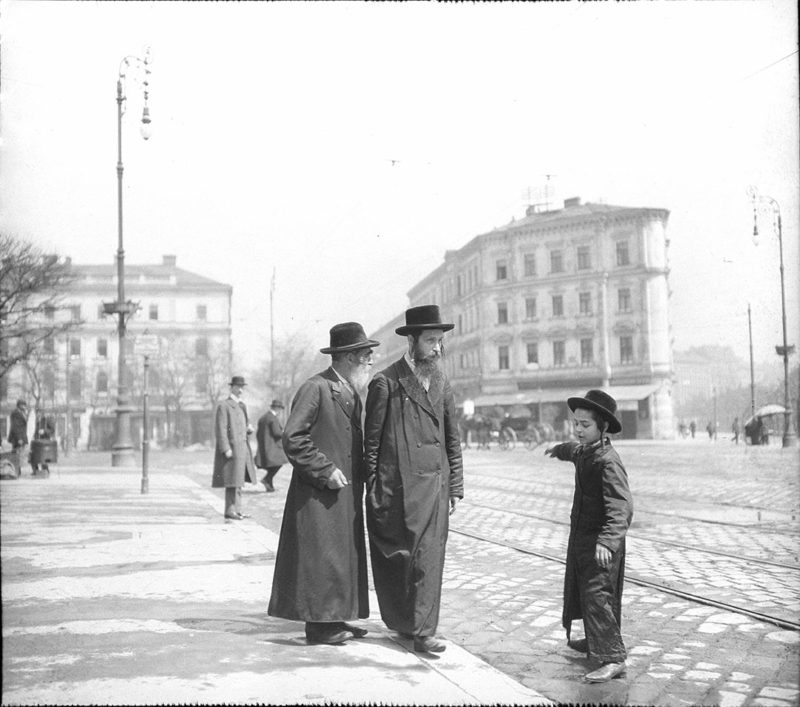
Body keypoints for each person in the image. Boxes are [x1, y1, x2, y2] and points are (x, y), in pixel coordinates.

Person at [268, 322, 379, 645]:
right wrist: (324, 469)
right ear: (347, 358)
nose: (371, 361)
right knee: (321, 558)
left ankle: (336, 616)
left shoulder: (350, 392)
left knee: (340, 556)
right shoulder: (316, 388)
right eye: (366, 356)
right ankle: (319, 626)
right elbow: (293, 438)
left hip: (343, 494)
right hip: (317, 492)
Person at [364, 304, 464, 654]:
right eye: (431, 341)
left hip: (435, 486)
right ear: (413, 342)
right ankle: (407, 624)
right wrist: (373, 487)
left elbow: (453, 437)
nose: (438, 348)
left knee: (429, 558)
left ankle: (424, 631)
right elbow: (371, 443)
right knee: (401, 559)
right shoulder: (386, 382)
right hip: (399, 487)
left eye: (440, 341)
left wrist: (456, 486)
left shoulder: (440, 380)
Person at [545, 389, 633, 683]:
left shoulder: (608, 461)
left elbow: (621, 507)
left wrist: (608, 541)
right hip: (582, 540)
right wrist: (559, 449)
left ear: (602, 427)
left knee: (597, 595)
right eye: (577, 423)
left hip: (601, 544)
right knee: (584, 590)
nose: (579, 430)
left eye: (585, 425)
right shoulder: (585, 451)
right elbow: (573, 449)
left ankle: (613, 657)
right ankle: (598, 639)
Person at [212, 376, 256, 520]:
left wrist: (248, 429)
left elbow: (241, 425)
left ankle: (237, 510)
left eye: (242, 387)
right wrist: (225, 448)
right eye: (238, 387)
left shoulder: (241, 406)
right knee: (231, 480)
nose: (241, 390)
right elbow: (221, 429)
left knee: (239, 480)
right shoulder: (224, 406)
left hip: (242, 448)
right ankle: (230, 510)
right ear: (232, 388)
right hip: (232, 449)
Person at [255, 400, 287, 492]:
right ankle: (266, 479)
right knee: (279, 463)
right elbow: (277, 433)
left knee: (272, 465)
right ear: (276, 408)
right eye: (280, 409)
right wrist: (284, 432)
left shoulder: (263, 418)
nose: (280, 411)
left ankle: (269, 484)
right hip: (273, 446)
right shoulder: (273, 418)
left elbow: (258, 434)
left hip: (264, 446)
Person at [7, 398, 29, 477]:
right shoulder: (16, 413)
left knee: (18, 455)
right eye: (23, 405)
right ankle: (16, 472)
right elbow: (16, 426)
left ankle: (17, 471)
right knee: (17, 455)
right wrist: (19, 438)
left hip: (20, 437)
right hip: (18, 438)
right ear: (19, 405)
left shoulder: (21, 412)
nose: (25, 407)